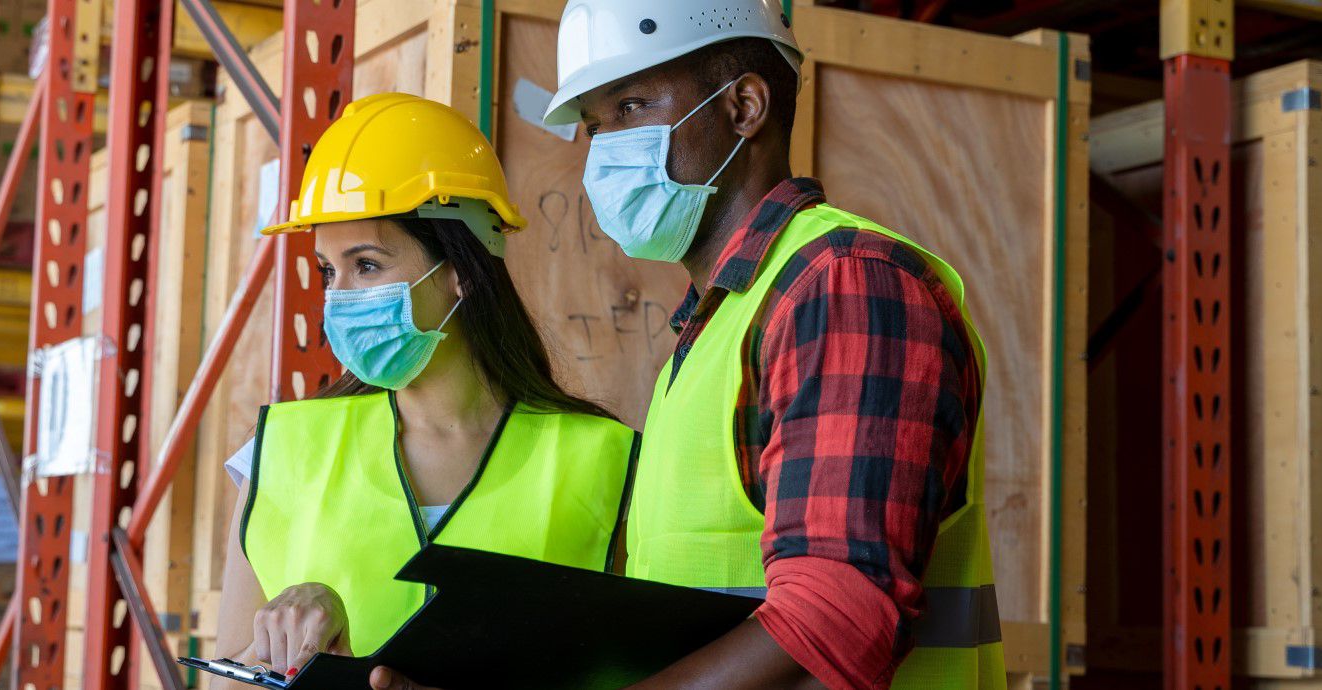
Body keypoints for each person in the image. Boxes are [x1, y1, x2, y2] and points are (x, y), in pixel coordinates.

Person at [373, 1, 999, 688]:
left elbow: (838, 619)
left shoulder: (843, 286)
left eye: (633, 106)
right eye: (593, 126)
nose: (605, 148)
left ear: (745, 107)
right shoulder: (712, 330)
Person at [209, 93, 640, 686]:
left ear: (460, 268)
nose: (340, 297)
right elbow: (224, 677)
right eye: (329, 270)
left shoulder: (606, 459)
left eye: (367, 265)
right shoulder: (280, 451)